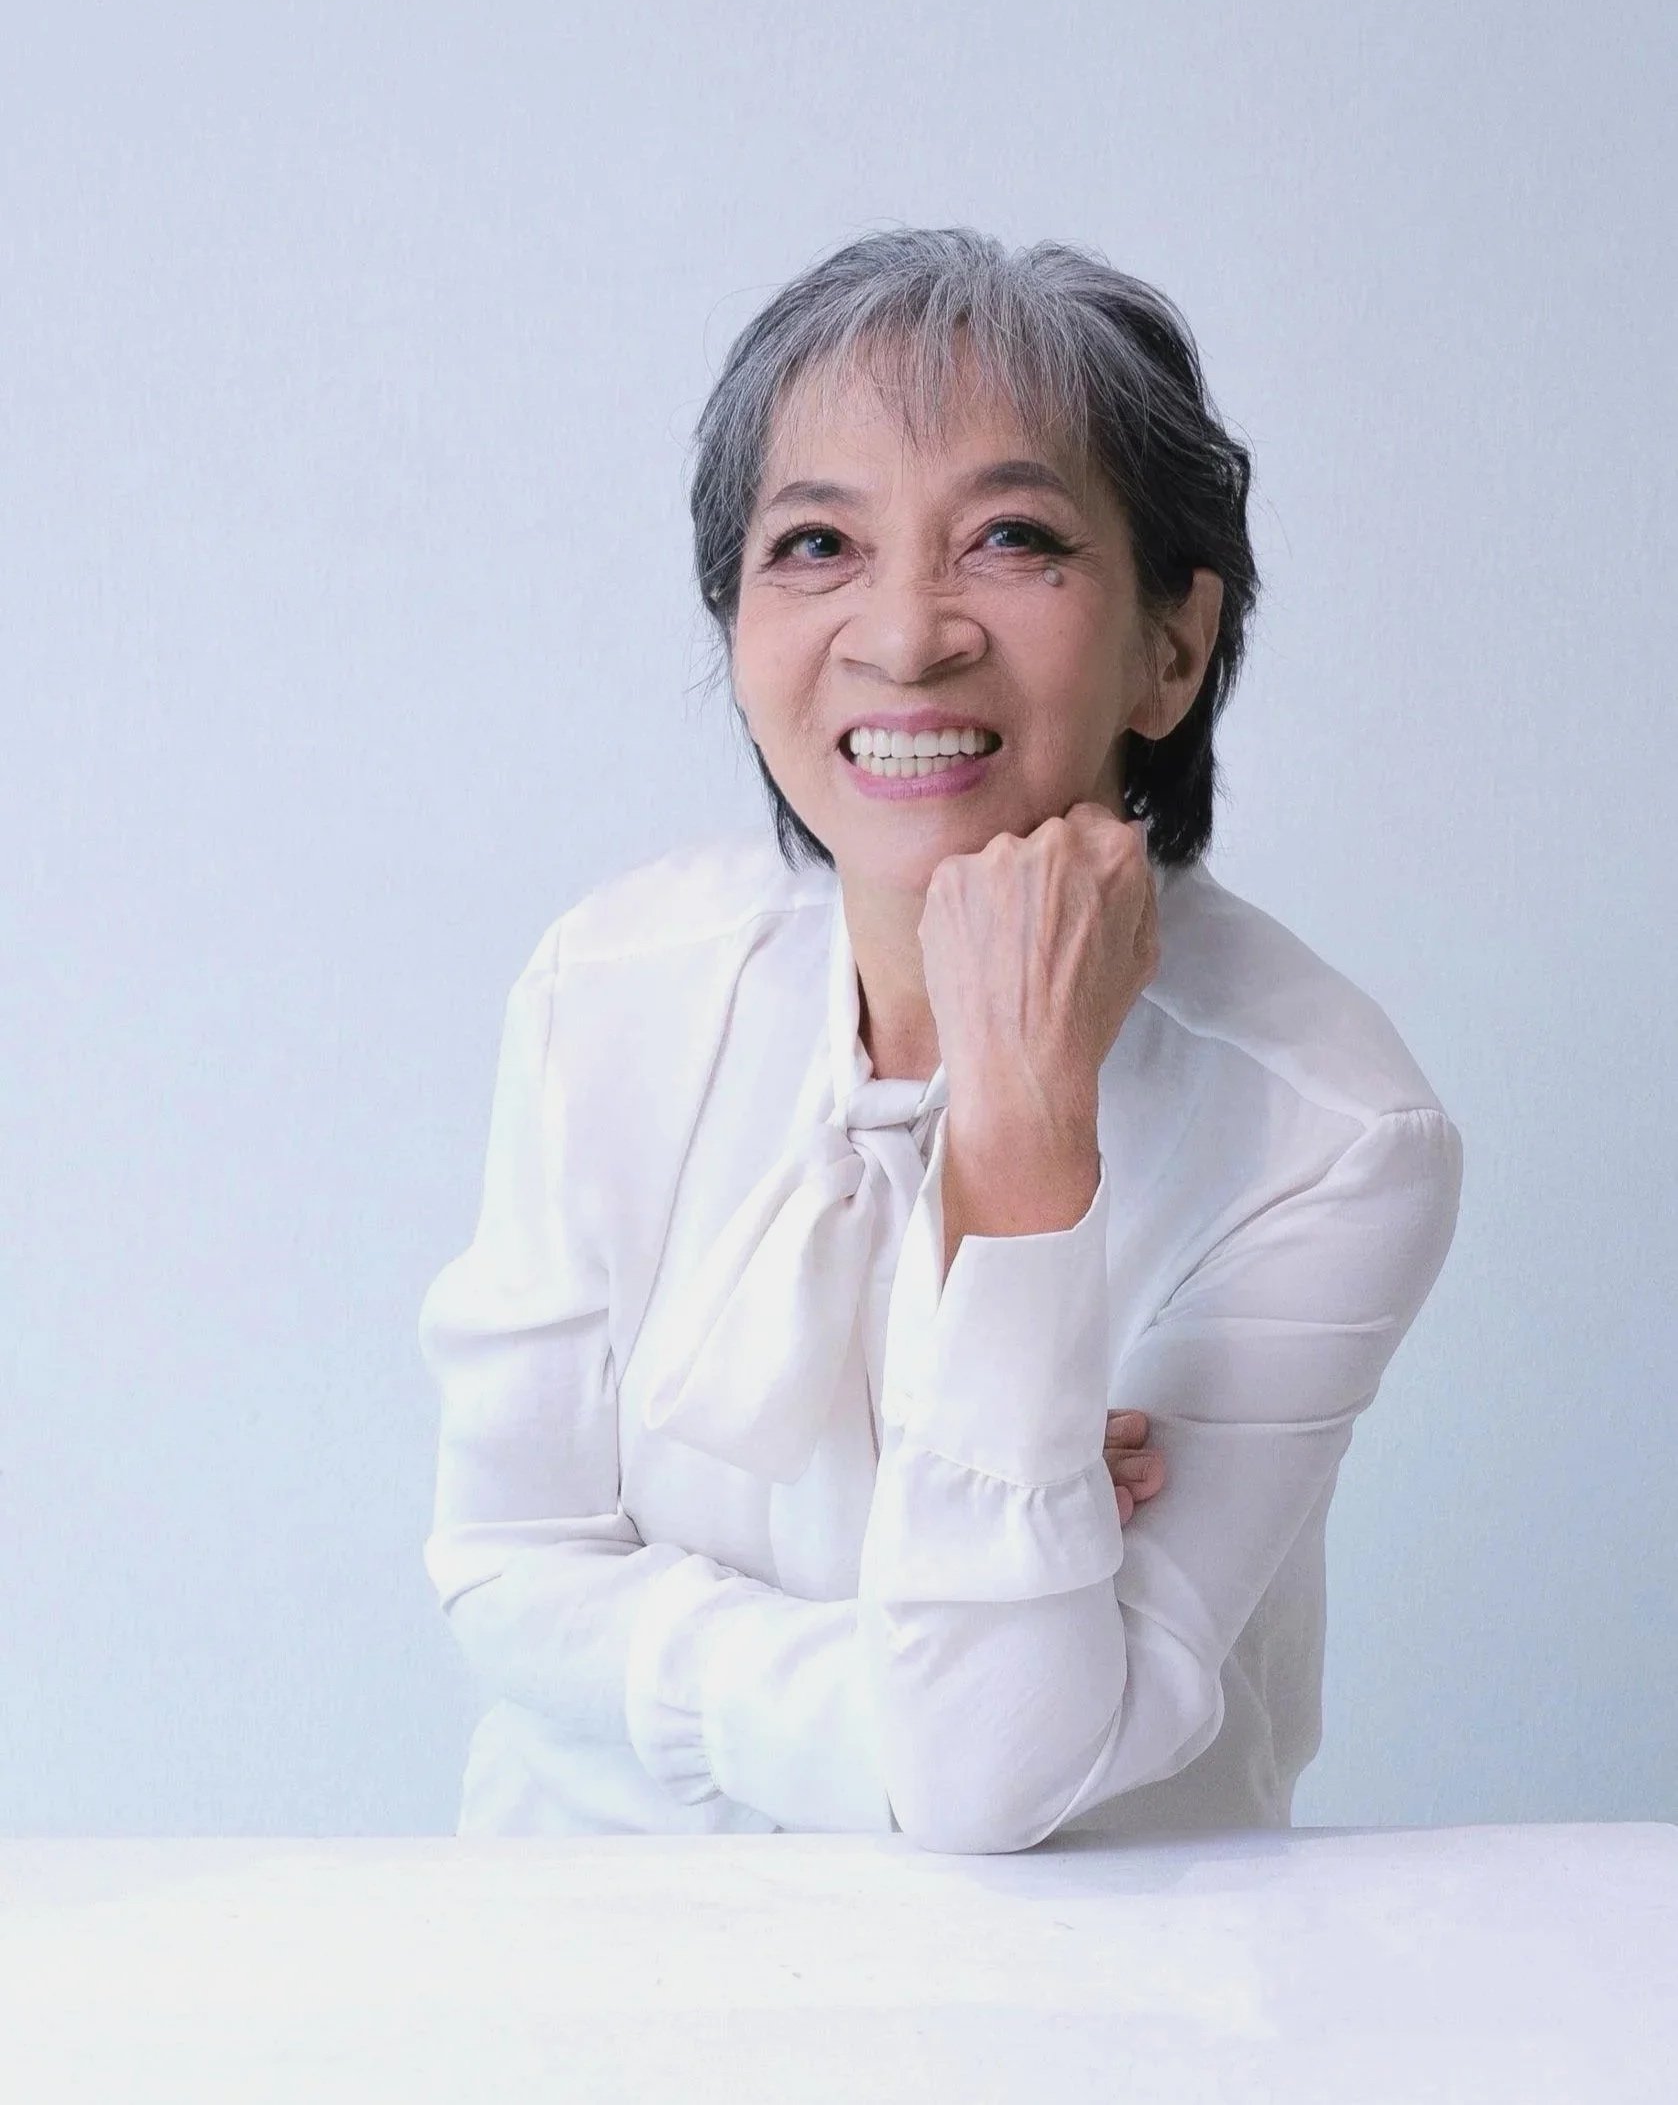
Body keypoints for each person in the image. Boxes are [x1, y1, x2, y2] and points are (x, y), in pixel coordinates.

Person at [417, 226, 1465, 1852]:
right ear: (736, 623)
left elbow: (989, 1777)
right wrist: (906, 1677)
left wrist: (1026, 1138)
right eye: (817, 544)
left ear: (1172, 644)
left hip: (1077, 1976)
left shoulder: (1331, 1132)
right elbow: (503, 1564)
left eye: (1010, 537)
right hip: (592, 1948)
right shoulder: (608, 986)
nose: (904, 635)